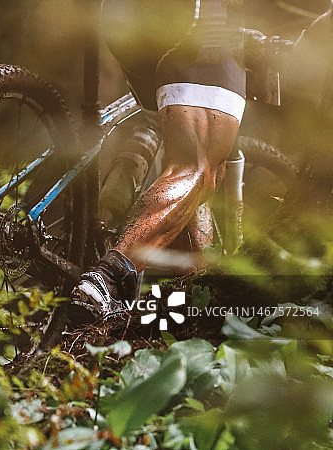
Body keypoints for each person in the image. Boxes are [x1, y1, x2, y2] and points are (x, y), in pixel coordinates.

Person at [70, 0, 265, 322]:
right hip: (199, 19)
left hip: (124, 19)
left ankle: (193, 299)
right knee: (196, 167)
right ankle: (111, 276)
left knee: (196, 164)